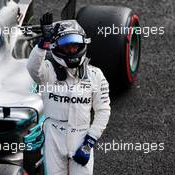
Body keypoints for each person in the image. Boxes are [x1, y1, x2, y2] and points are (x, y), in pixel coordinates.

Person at [26, 12, 111, 175]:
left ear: (82, 45)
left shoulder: (96, 75)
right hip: (53, 137)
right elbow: (32, 68)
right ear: (56, 47)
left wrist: (89, 141)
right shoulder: (48, 72)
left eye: (75, 45)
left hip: (81, 137)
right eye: (66, 46)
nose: (71, 50)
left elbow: (103, 110)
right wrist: (43, 43)